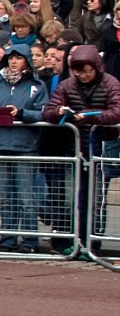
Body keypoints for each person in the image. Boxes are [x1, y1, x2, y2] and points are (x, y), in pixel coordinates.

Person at [46, 44, 120, 251]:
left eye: (88, 70)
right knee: (70, 199)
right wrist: (61, 112)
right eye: (79, 71)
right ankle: (71, 243)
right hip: (74, 149)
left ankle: (92, 245)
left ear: (97, 67)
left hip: (100, 149)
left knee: (96, 201)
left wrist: (92, 116)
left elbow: (117, 111)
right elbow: (50, 111)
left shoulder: (111, 83)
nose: (84, 75)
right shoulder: (68, 85)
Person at [0, 48, 51, 250]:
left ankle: (29, 242)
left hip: (25, 147)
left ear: (27, 61)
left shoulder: (36, 87)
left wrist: (21, 113)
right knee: (7, 199)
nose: (13, 62)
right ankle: (7, 240)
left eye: (18, 58)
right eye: (11, 58)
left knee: (26, 199)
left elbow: (42, 114)